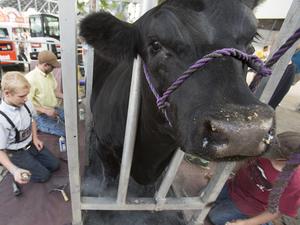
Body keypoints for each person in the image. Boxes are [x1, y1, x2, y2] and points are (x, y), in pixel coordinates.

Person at [208, 131, 300, 225]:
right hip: (234, 186)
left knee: (215, 217)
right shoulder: (263, 148)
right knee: (205, 195)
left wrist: (246, 223)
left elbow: (277, 211)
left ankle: (260, 222)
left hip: (251, 205)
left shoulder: (294, 182)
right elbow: (243, 161)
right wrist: (223, 175)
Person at [0, 72, 60, 187]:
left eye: (26, 95)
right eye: (22, 96)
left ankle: (30, 162)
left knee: (55, 165)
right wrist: (15, 170)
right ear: (7, 94)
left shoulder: (26, 103)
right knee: (44, 176)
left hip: (30, 144)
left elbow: (32, 120)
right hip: (16, 153)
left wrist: (35, 138)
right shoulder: (1, 118)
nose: (26, 99)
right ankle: (15, 168)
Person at [25, 50, 65, 137]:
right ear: (45, 65)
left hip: (53, 108)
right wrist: (45, 111)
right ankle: (38, 126)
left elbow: (53, 91)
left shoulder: (48, 74)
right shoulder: (30, 79)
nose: (54, 69)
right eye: (53, 67)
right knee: (66, 132)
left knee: (72, 121)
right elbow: (26, 104)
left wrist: (65, 97)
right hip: (39, 115)